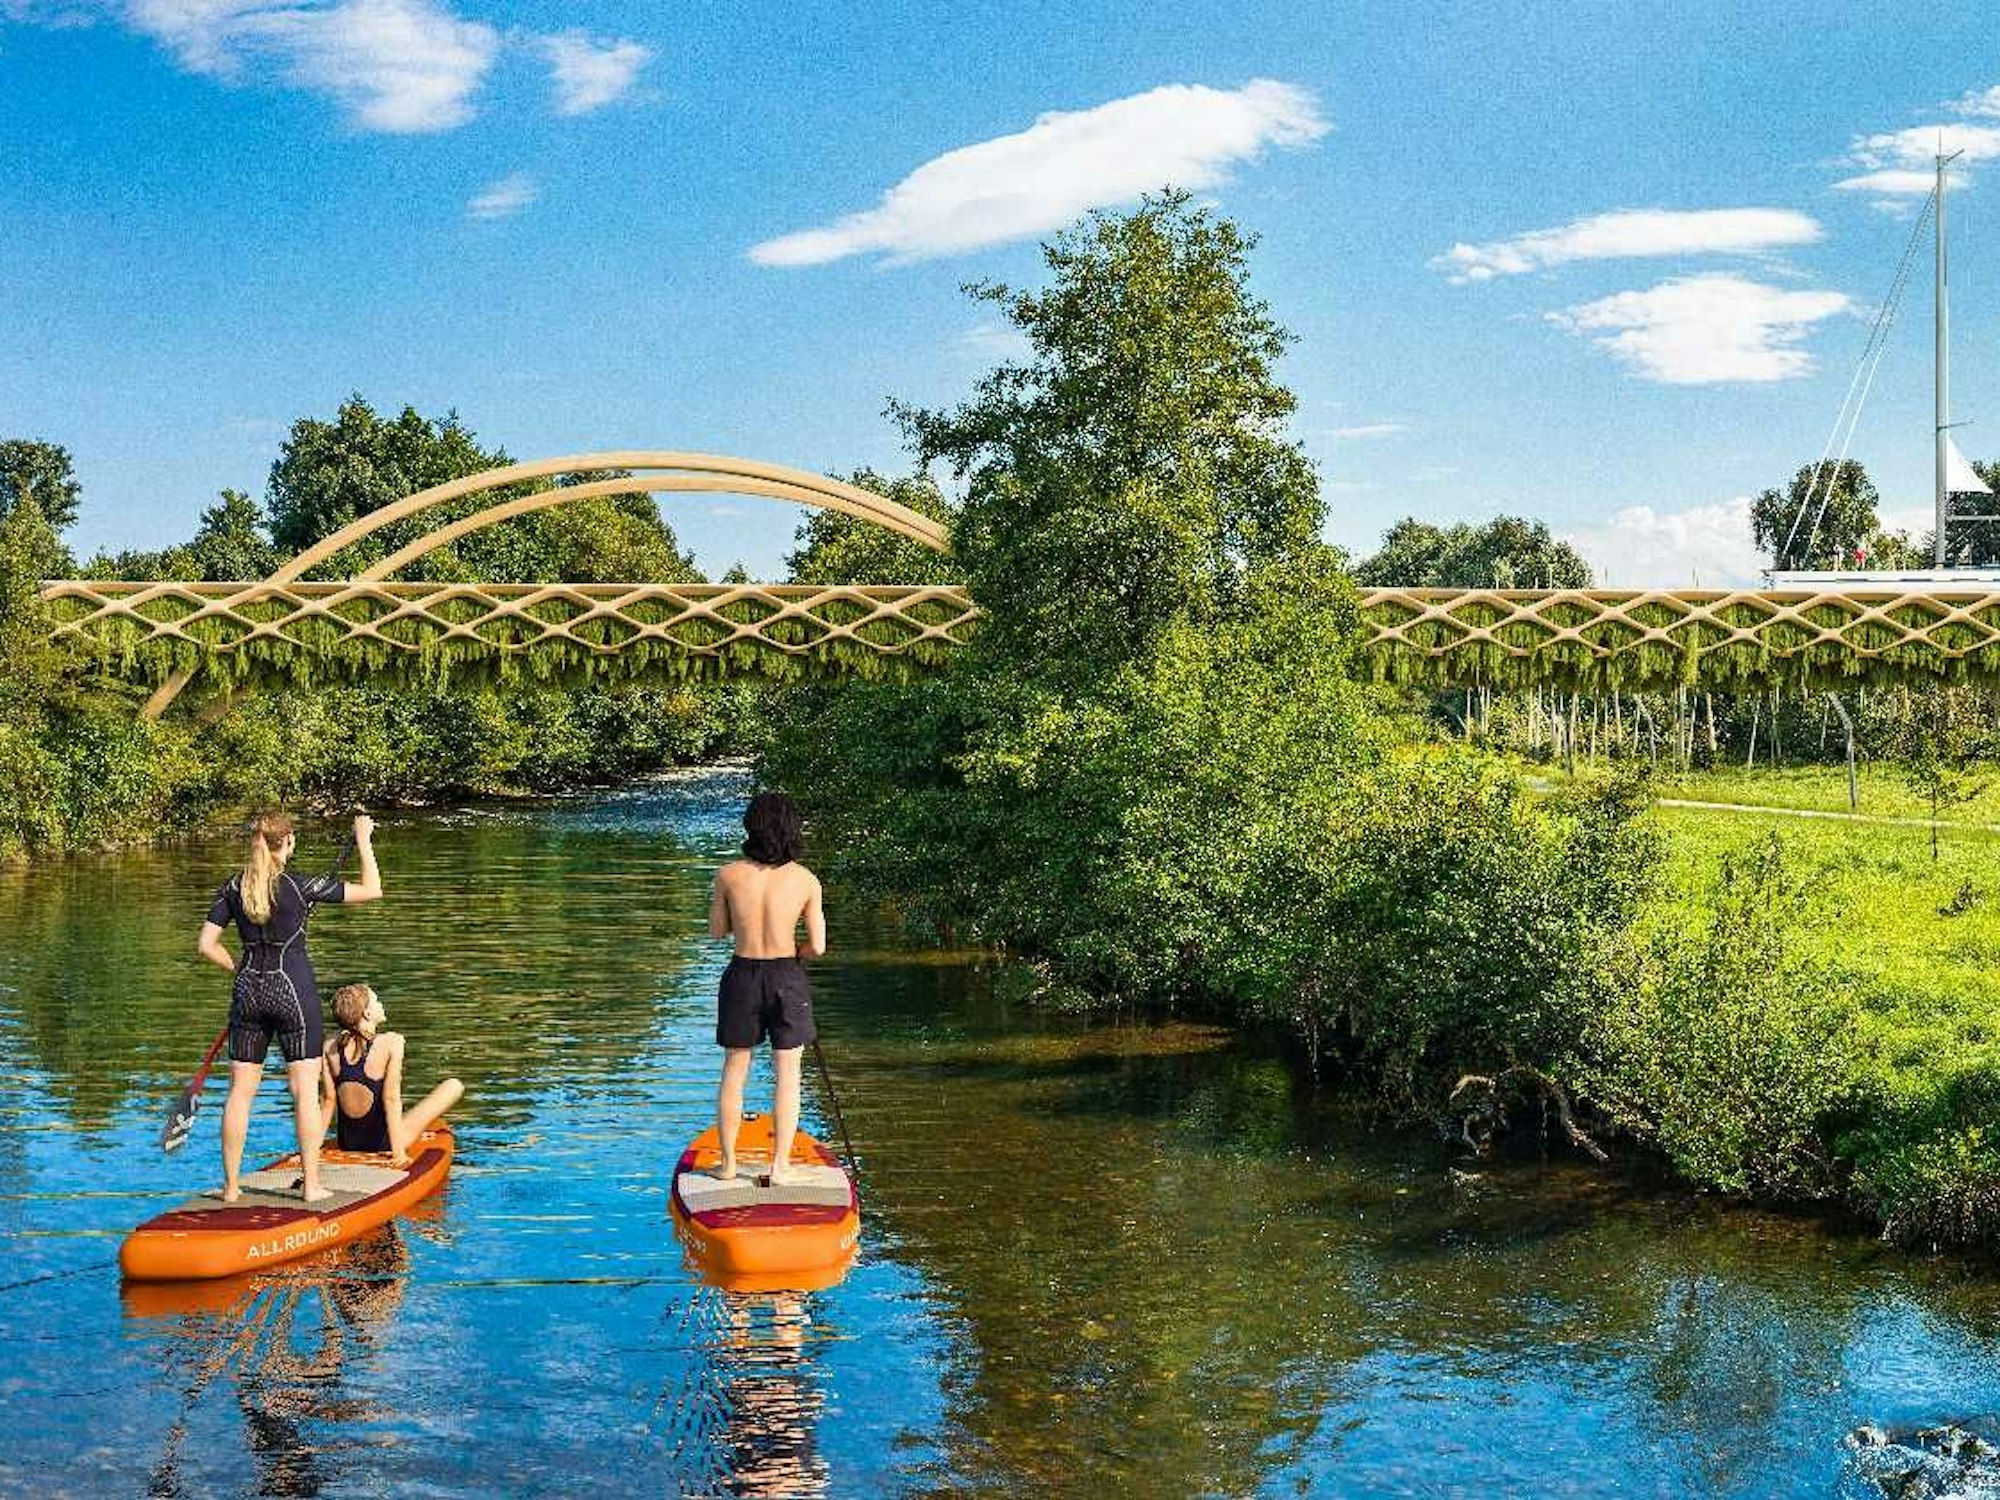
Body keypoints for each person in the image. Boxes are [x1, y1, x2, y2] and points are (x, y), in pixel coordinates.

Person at [197, 811, 381, 1202]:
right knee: (303, 1092)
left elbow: (206, 946)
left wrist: (241, 969)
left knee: (239, 1094)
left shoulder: (233, 887)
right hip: (293, 992)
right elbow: (372, 889)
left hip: (248, 991)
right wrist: (363, 839)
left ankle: (230, 1187)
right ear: (289, 842)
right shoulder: (300, 886)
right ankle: (311, 1186)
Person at [708, 791, 826, 1186]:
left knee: (735, 1069)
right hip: (786, 975)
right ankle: (780, 1167)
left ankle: (726, 1165)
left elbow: (717, 931)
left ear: (751, 827)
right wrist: (797, 951)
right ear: (792, 828)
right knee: (788, 1072)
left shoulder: (727, 874)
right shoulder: (806, 879)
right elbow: (818, 947)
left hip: (742, 973)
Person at [321, 983, 462, 1164]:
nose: (381, 1004)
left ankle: (409, 1128)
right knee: (454, 1085)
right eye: (377, 1001)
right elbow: (391, 1099)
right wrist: (398, 1154)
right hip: (384, 1143)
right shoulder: (392, 1042)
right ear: (367, 1014)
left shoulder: (330, 1045)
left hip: (348, 1143)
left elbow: (327, 1101)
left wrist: (314, 1148)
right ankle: (409, 1130)